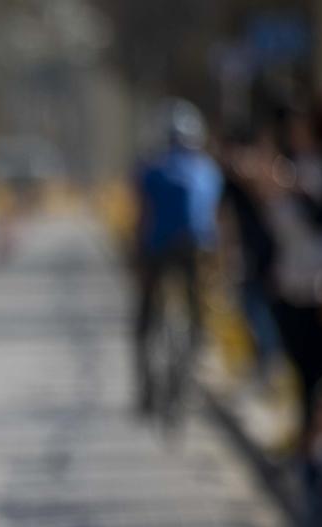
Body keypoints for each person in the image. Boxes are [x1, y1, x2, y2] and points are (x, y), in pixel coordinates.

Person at [131, 99, 223, 414]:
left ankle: (146, 389)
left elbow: (142, 216)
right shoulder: (209, 170)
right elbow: (214, 218)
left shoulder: (150, 169)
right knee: (197, 308)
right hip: (197, 247)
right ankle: (196, 352)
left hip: (158, 248)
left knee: (145, 317)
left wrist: (138, 258)